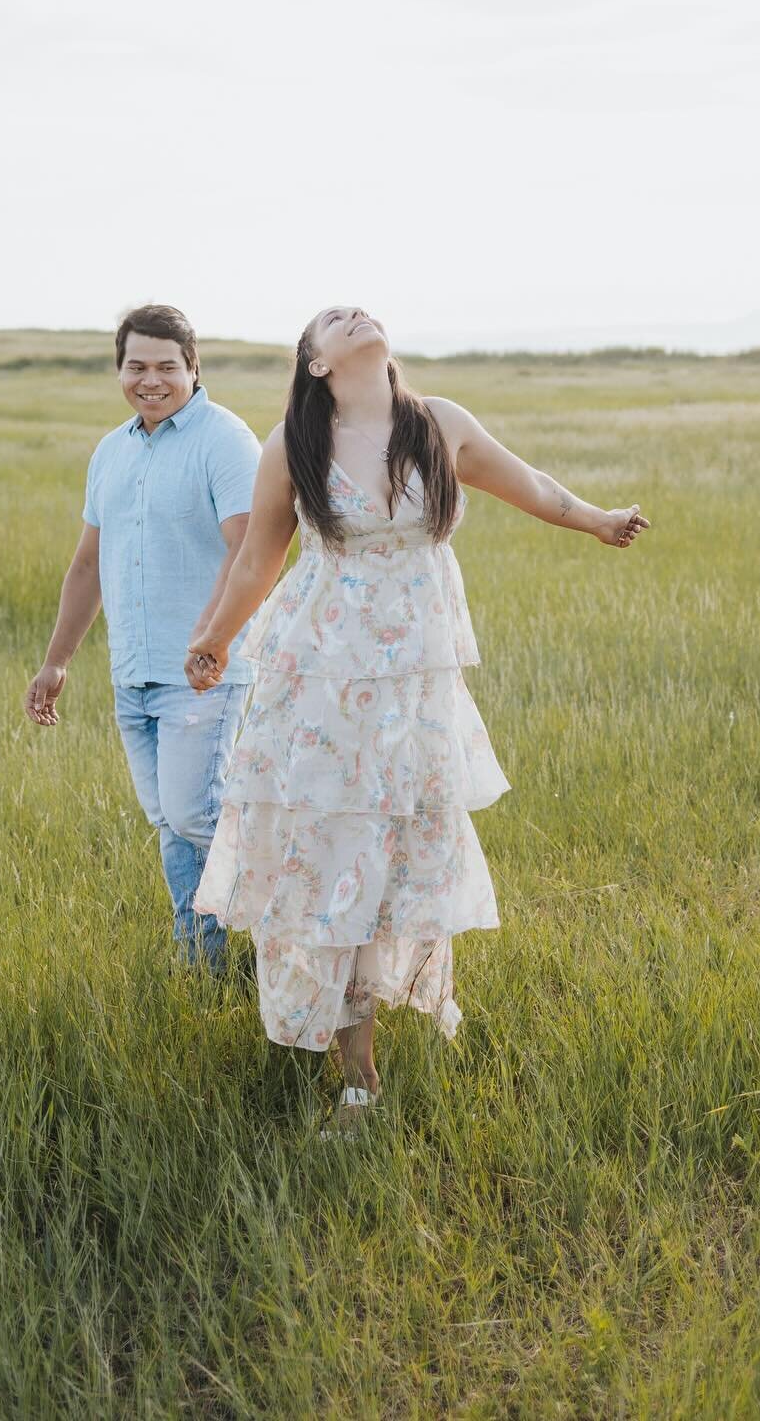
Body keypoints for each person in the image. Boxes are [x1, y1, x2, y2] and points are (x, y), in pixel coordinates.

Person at [184, 304, 650, 1133]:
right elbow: (261, 555)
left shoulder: (438, 425)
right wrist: (216, 640)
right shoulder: (291, 443)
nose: (353, 314)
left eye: (357, 309)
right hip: (323, 679)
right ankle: (357, 1084)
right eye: (333, 319)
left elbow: (531, 485)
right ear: (317, 362)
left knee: (395, 863)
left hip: (413, 690)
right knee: (337, 861)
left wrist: (598, 520)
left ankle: (368, 1067)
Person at [24, 304, 261, 974]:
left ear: (193, 368)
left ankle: (301, 933)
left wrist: (213, 641)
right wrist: (56, 663)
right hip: (132, 676)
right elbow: (87, 566)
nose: (150, 380)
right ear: (119, 369)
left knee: (197, 817)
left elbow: (251, 554)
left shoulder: (225, 440)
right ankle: (205, 971)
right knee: (174, 830)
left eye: (166, 366)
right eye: (136, 366)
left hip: (202, 675)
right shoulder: (112, 449)